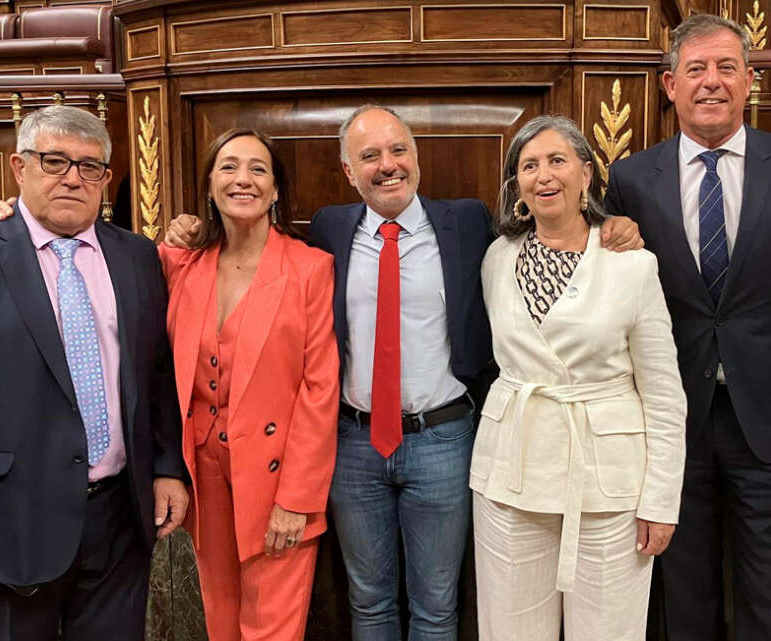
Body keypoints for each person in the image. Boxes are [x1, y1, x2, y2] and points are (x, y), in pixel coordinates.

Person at [162, 104, 642, 640]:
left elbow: (548, 230)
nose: (386, 165)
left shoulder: (466, 221)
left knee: (437, 604)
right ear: (349, 171)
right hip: (353, 444)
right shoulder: (329, 230)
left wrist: (610, 224)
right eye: (369, 156)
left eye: (397, 151)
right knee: (368, 601)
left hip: (443, 438)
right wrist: (185, 232)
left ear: (416, 158)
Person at [603, 14, 771, 641]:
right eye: (697, 69)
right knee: (683, 587)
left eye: (727, 67)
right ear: (668, 84)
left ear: (750, 80)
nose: (712, 82)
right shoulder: (630, 179)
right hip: (672, 417)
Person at [470, 114, 686, 641]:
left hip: (610, 480)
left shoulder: (631, 265)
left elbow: (663, 393)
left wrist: (660, 500)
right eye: (529, 166)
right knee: (510, 630)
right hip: (511, 470)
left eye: (557, 161)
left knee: (610, 630)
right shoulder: (497, 258)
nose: (544, 176)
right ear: (516, 184)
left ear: (586, 175)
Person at [0, 105, 187, 640]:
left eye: (89, 166)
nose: (73, 177)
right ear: (18, 167)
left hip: (119, 515)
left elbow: (157, 372)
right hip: (10, 519)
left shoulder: (138, 257)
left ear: (105, 179)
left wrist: (167, 466)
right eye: (55, 161)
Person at [158, 129, 340, 641]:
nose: (244, 179)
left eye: (258, 169)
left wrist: (297, 499)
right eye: (229, 167)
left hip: (277, 479)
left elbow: (320, 389)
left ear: (276, 189)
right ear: (210, 185)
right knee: (219, 621)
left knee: (273, 630)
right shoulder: (181, 263)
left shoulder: (309, 269)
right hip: (205, 476)